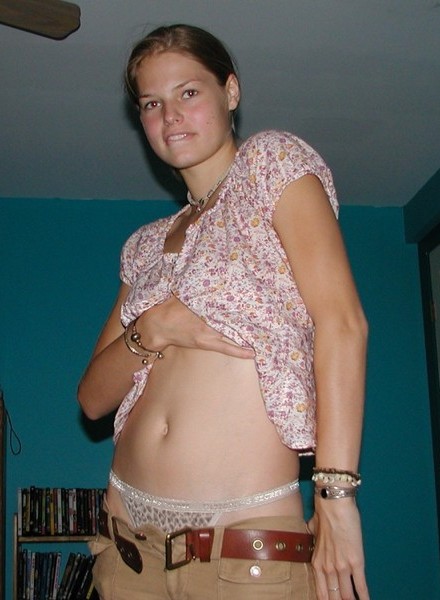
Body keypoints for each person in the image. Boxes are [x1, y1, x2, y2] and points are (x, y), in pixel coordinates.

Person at [78, 23, 369, 600]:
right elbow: (92, 399)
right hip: (129, 549)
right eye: (151, 103)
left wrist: (335, 498)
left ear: (230, 91)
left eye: (188, 92)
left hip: (244, 549)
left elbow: (343, 325)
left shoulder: (270, 164)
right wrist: (152, 328)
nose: (170, 116)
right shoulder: (145, 245)